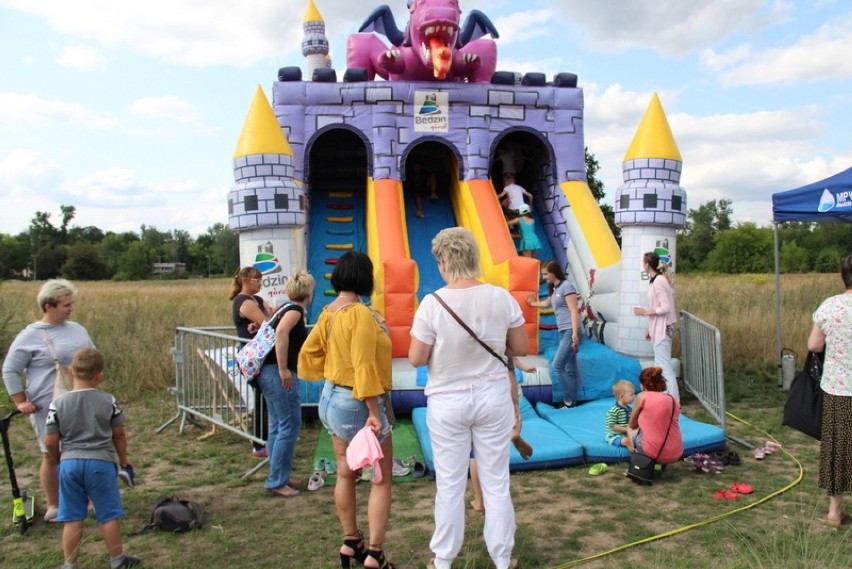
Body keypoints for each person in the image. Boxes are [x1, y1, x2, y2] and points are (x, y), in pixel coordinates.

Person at [409, 227, 528, 569]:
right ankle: (502, 558)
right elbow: (520, 348)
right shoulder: (501, 296)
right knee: (495, 481)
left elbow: (417, 358)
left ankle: (444, 560)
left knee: (449, 483)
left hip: (447, 401)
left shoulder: (432, 304)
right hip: (493, 397)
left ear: (444, 261)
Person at [298, 251, 396, 569]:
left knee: (345, 471)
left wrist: (331, 369)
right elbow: (364, 366)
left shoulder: (329, 312)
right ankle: (375, 554)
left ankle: (351, 541)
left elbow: (310, 350)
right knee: (380, 479)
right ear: (365, 279)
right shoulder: (360, 315)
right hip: (358, 403)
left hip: (331, 398)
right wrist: (373, 410)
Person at [2, 278, 95, 523]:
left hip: (80, 401)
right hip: (47, 405)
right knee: (52, 453)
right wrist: (20, 401)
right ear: (48, 306)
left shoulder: (77, 329)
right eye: (66, 304)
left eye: (71, 304)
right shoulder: (29, 336)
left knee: (84, 450)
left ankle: (87, 499)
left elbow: (93, 357)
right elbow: (10, 370)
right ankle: (54, 504)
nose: (71, 308)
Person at [44, 348, 139, 569]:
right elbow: (119, 434)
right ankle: (116, 559)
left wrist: (59, 459)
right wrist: (124, 460)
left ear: (70, 371)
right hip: (101, 463)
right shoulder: (108, 401)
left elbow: (50, 440)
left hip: (70, 463)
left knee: (72, 516)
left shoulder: (57, 404)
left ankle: (70, 564)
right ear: (100, 375)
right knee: (108, 514)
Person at [258, 270, 315, 498]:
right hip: (277, 373)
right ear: (308, 293)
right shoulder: (295, 311)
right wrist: (283, 369)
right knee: (289, 426)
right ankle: (277, 481)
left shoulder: (282, 308)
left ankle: (279, 474)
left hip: (267, 372)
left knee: (277, 426)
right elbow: (281, 333)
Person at [807, 253, 852, 528]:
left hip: (837, 389)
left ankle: (834, 511)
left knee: (838, 449)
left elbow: (814, 345)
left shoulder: (830, 306)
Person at [470, 357, 535, 514]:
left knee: (475, 452)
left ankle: (480, 501)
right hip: (506, 380)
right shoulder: (502, 334)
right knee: (515, 415)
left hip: (481, 387)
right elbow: (512, 358)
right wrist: (524, 368)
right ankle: (515, 432)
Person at [230, 266, 273, 457]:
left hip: (261, 356)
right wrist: (264, 321)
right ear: (246, 281)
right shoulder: (244, 301)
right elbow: (269, 321)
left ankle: (263, 439)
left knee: (264, 399)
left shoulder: (257, 300)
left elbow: (271, 317)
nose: (260, 284)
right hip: (253, 358)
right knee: (261, 399)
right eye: (257, 280)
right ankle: (258, 443)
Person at [526, 260, 581, 408]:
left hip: (570, 329)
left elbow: (573, 310)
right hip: (563, 330)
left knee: (557, 365)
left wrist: (575, 333)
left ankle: (568, 400)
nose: (543, 277)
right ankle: (573, 401)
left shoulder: (566, 287)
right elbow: (546, 304)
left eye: (545, 274)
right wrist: (532, 303)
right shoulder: (555, 289)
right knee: (570, 368)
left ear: (554, 273)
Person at [633, 251, 680, 403]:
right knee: (660, 364)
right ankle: (666, 399)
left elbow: (665, 307)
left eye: (643, 262)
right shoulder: (657, 280)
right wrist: (650, 328)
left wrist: (645, 312)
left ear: (647, 265)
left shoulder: (659, 281)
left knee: (664, 366)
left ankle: (673, 401)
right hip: (659, 327)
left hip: (663, 328)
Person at [627, 367, 683, 464]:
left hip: (652, 452)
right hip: (676, 452)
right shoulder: (672, 400)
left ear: (643, 385)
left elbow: (632, 424)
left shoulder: (642, 396)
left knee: (630, 429)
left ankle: (638, 458)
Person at [605, 380, 636, 453]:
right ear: (621, 396)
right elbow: (612, 426)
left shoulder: (629, 409)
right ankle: (637, 457)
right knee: (628, 441)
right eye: (631, 395)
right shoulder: (614, 410)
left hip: (627, 433)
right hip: (615, 436)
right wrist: (625, 430)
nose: (634, 397)